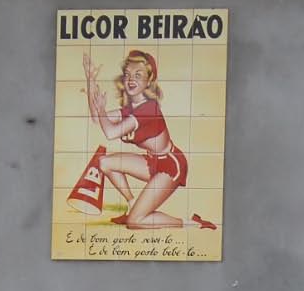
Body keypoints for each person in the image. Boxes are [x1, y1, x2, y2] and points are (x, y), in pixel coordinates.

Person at [83, 49, 218, 233]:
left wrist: (101, 110)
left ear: (149, 80)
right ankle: (132, 204)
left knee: (135, 222)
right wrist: (90, 80)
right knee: (104, 162)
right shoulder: (129, 109)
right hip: (152, 162)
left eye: (138, 75)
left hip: (171, 165)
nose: (131, 79)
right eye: (128, 74)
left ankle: (193, 222)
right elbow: (96, 119)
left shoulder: (149, 109)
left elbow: (110, 132)